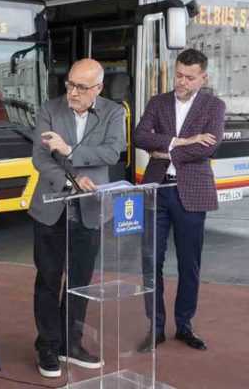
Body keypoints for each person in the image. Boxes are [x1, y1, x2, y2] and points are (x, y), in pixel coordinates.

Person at [29, 58, 126, 378]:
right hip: (51, 207)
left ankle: (71, 343)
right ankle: (47, 344)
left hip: (91, 208)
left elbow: (113, 152)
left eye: (81, 88)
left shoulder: (113, 112)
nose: (72, 92)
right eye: (69, 84)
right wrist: (70, 181)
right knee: (48, 278)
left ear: (98, 88)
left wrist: (69, 149)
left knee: (81, 282)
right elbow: (40, 158)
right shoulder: (50, 109)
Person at [134, 49, 225, 351]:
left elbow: (208, 148)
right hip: (156, 190)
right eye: (178, 75)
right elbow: (139, 137)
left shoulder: (214, 106)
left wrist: (167, 151)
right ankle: (155, 327)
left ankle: (184, 326)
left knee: (190, 264)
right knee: (151, 261)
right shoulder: (157, 102)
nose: (181, 82)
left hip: (193, 193)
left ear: (203, 77)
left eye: (189, 77)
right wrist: (182, 140)